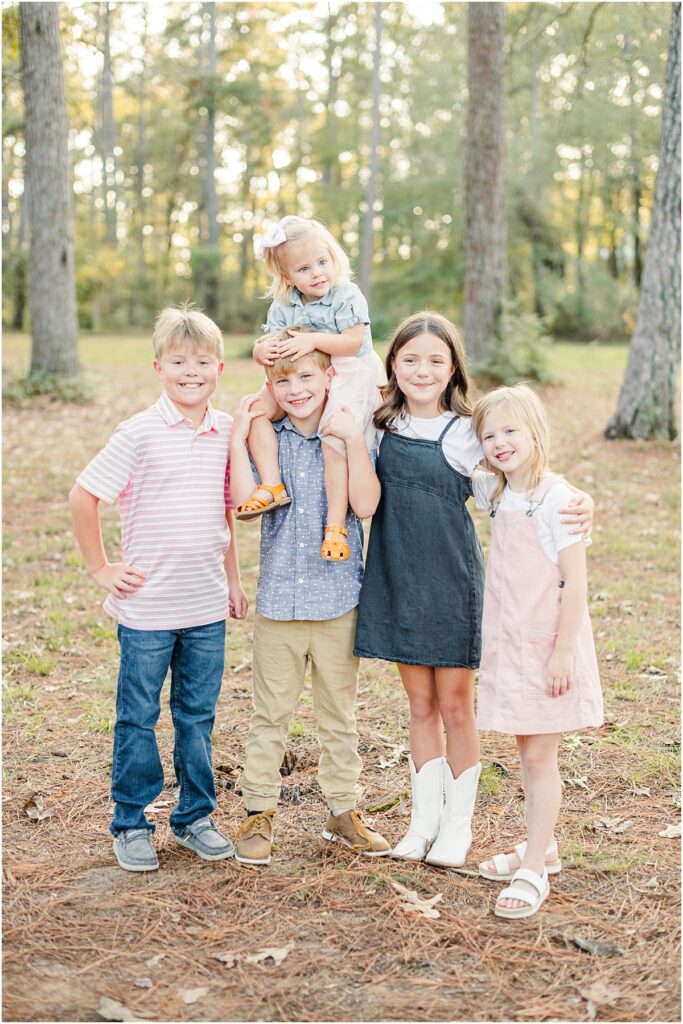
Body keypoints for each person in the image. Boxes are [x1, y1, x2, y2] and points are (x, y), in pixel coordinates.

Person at [354, 312, 593, 871]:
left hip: (451, 581)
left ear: (453, 368)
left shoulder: (466, 433)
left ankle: (458, 827)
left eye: (437, 360)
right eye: (410, 359)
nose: (422, 370)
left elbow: (520, 483)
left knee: (456, 706)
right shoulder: (379, 424)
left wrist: (579, 501)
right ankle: (423, 822)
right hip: (394, 574)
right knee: (418, 706)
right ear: (393, 365)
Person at [69, 305, 248, 873]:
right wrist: (101, 569)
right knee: (138, 715)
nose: (190, 371)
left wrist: (234, 582)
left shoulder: (225, 432)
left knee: (197, 716)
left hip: (204, 605)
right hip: (147, 609)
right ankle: (130, 821)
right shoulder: (139, 432)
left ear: (219, 368)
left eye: (201, 362)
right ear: (157, 367)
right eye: (178, 361)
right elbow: (83, 495)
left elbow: (225, 512)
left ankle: (195, 816)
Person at [228, 348, 391, 865]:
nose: (296, 389)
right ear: (270, 387)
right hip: (279, 603)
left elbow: (365, 506)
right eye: (283, 381)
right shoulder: (267, 442)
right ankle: (258, 811)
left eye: (306, 376)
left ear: (329, 377)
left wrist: (354, 443)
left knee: (338, 715)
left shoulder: (347, 434)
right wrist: (239, 436)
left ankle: (343, 810)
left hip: (338, 600)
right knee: (269, 714)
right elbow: (244, 505)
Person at [471, 383, 603, 919]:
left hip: (550, 649)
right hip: (512, 645)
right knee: (526, 751)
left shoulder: (559, 501)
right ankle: (541, 846)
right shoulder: (496, 491)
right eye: (489, 434)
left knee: (539, 755)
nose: (500, 442)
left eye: (510, 431)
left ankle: (534, 870)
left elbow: (575, 583)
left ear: (535, 434)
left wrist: (562, 653)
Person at [236, 215, 386, 563]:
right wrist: (260, 351)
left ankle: (335, 525)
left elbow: (353, 342)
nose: (317, 273)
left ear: (334, 258)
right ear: (287, 277)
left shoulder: (346, 294)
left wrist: (312, 340)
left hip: (349, 371)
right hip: (303, 373)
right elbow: (269, 343)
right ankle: (272, 484)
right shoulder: (284, 305)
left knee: (333, 437)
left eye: (323, 262)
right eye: (304, 269)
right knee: (258, 412)